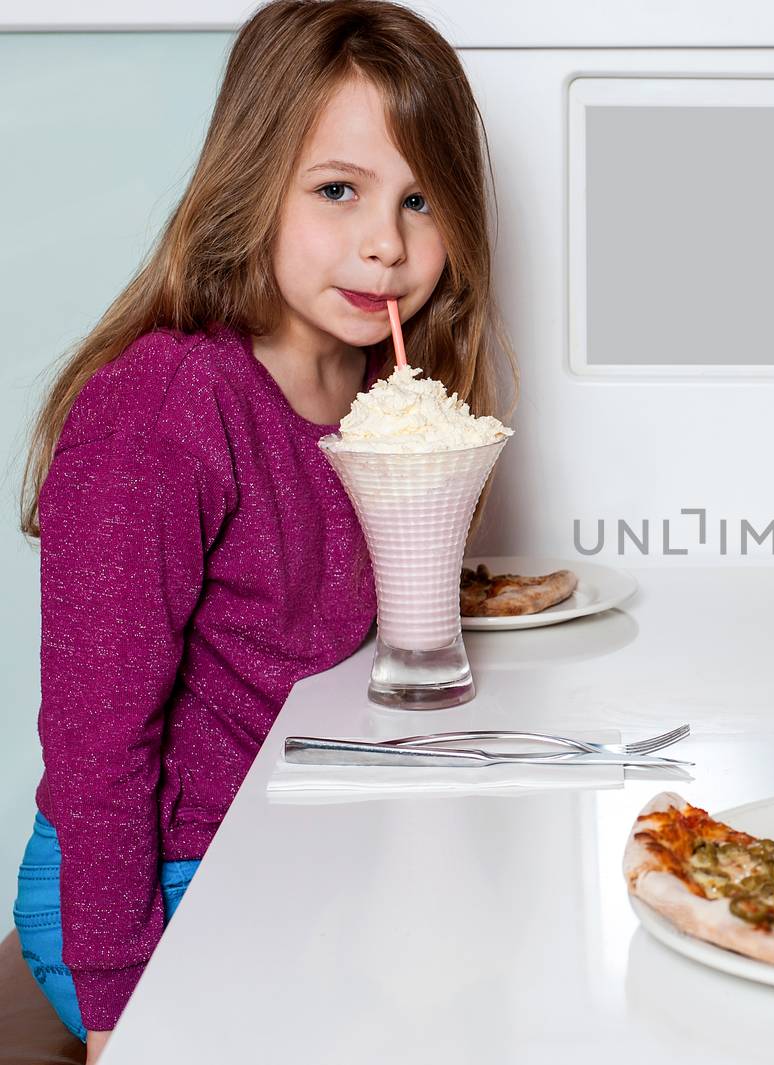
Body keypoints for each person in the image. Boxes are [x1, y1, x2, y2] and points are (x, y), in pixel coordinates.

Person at [13, 1, 511, 1056]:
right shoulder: (163, 410)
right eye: (339, 191)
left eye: (421, 200)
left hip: (306, 841)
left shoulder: (385, 387)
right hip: (160, 881)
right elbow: (99, 744)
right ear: (252, 183)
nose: (385, 244)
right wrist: (117, 1011)